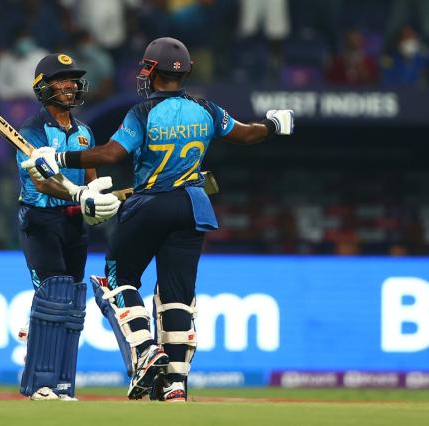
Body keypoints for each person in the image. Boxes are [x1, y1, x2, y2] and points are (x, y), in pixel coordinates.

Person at [22, 37, 294, 402]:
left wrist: (61, 159)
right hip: (194, 207)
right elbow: (246, 133)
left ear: (151, 71)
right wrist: (274, 125)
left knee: (117, 281)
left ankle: (146, 348)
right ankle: (175, 384)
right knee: (177, 296)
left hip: (150, 204)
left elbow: (110, 153)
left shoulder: (142, 113)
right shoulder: (206, 108)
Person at [15, 53, 120, 401]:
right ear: (43, 87)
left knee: (73, 303)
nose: (71, 85)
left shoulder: (85, 132)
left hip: (74, 224)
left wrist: (99, 201)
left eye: (73, 79)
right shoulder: (30, 132)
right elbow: (43, 182)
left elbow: (93, 182)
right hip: (41, 221)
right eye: (62, 79)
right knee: (54, 297)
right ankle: (39, 384)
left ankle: (62, 383)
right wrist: (79, 194)